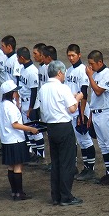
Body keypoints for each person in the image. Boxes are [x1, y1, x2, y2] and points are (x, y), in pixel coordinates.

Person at [38, 60, 84, 206]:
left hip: (51, 127)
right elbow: (72, 109)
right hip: (63, 126)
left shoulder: (43, 88)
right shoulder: (63, 88)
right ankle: (66, 196)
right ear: (59, 73)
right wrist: (77, 98)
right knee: (67, 163)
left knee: (56, 162)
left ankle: (56, 196)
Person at [0, 79, 43, 200]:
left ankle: (14, 192)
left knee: (11, 166)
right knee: (18, 166)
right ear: (10, 93)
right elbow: (15, 124)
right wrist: (30, 129)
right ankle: (19, 193)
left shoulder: (1, 105)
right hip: (15, 139)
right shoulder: (10, 107)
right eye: (15, 92)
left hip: (6, 139)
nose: (17, 93)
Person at [85, 50, 109, 185]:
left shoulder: (108, 74)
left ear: (100, 62)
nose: (90, 66)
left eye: (92, 64)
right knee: (103, 145)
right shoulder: (97, 74)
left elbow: (98, 92)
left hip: (106, 113)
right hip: (97, 113)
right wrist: (90, 115)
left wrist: (90, 77)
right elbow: (94, 98)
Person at [66, 44, 97, 181]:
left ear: (79, 55)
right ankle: (79, 167)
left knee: (85, 140)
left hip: (80, 109)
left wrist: (82, 113)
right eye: (69, 55)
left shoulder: (82, 70)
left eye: (73, 55)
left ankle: (90, 169)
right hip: (70, 109)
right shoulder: (68, 71)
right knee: (75, 139)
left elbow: (84, 92)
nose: (71, 58)